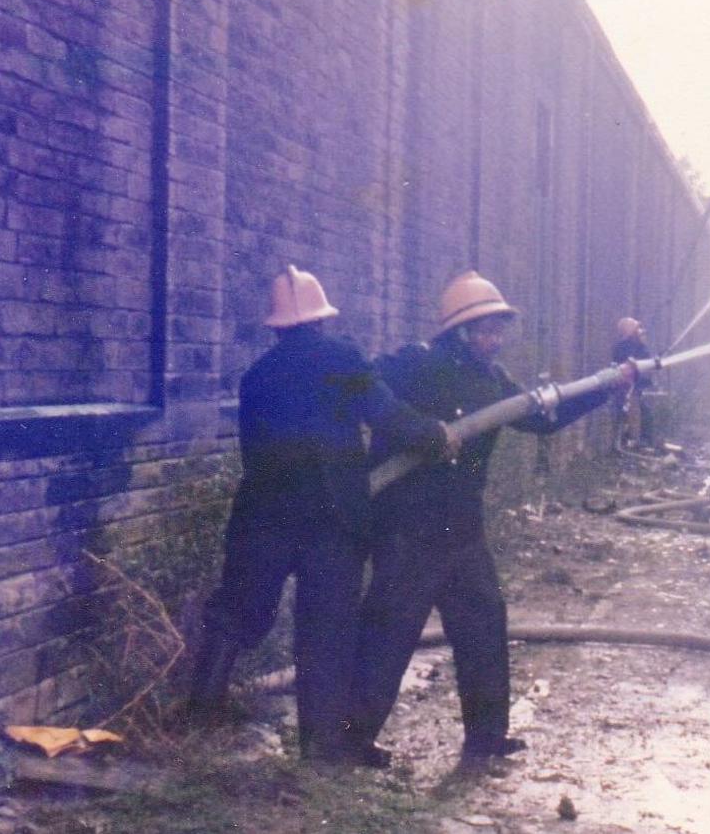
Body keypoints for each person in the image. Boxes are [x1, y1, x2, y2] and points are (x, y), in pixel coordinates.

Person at [346, 271, 635, 767]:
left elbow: (542, 417)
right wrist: (419, 431)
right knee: (389, 634)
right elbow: (361, 388)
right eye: (486, 329)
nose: (495, 339)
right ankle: (352, 741)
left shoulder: (493, 380)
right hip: (407, 530)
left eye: (500, 329)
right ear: (459, 330)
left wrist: (607, 386)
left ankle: (486, 739)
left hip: (461, 531)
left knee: (483, 628)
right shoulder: (414, 365)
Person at [186, 265, 458, 766]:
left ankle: (199, 721)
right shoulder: (342, 358)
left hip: (262, 516)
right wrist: (435, 435)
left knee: (238, 613)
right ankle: (321, 747)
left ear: (277, 326)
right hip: (332, 519)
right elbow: (386, 414)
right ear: (321, 319)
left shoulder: (256, 376)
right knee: (326, 629)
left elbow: (255, 452)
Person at [611, 317, 656, 449]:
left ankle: (644, 440)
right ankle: (626, 440)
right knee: (625, 412)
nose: (640, 331)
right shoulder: (621, 347)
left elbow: (646, 361)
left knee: (644, 411)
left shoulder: (640, 345)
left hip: (638, 385)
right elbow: (621, 364)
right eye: (636, 328)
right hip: (626, 386)